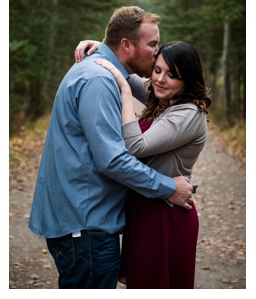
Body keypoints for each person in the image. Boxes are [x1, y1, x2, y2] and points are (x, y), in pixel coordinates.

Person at [28, 6, 194, 289]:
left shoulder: (99, 71)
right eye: (152, 45)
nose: (157, 52)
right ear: (127, 45)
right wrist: (170, 187)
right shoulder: (99, 80)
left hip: (81, 219)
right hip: (86, 225)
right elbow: (113, 160)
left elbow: (154, 88)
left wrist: (103, 46)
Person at [79, 40, 211, 288]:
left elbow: (134, 147)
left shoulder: (188, 113)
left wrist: (126, 94)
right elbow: (126, 74)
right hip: (145, 211)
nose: (160, 80)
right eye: (157, 70)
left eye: (172, 75)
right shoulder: (165, 98)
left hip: (166, 217)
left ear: (187, 80)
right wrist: (102, 45)